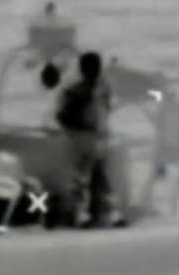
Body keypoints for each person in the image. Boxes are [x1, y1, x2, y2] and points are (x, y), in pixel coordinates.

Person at [55, 51, 124, 228]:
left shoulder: (81, 90)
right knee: (90, 176)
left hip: (89, 137)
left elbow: (62, 116)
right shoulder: (95, 90)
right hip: (88, 137)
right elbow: (65, 116)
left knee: (91, 177)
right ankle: (90, 214)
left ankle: (92, 214)